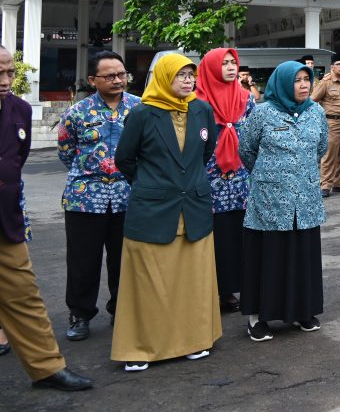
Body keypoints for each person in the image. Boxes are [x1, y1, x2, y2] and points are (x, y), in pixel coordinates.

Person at [112, 53, 221, 372]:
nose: (188, 80)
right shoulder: (143, 113)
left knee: (191, 281)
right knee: (148, 283)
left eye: (191, 75)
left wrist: (187, 181)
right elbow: (125, 159)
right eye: (181, 75)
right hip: (153, 209)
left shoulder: (201, 109)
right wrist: (152, 183)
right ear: (163, 77)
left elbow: (205, 152)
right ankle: (140, 348)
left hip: (194, 208)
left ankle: (194, 340)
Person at [0, 46, 94, 391]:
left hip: (6, 221)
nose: (6, 81)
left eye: (9, 72)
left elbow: (15, 162)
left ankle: (47, 368)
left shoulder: (20, 110)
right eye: (0, 74)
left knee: (24, 296)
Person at [238, 61, 328, 341]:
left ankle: (302, 311)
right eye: (297, 80)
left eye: (306, 79)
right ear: (282, 83)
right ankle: (258, 318)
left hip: (306, 197)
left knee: (303, 255)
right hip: (269, 198)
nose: (303, 85)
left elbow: (321, 147)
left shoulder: (316, 112)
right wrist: (273, 176)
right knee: (269, 256)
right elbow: (246, 150)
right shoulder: (262, 113)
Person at [56, 50, 141, 341]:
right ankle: (80, 314)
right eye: (110, 76)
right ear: (93, 80)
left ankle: (122, 311)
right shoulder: (76, 113)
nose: (118, 80)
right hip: (85, 199)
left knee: (124, 260)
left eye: (122, 74)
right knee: (83, 262)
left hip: (128, 197)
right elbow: (66, 153)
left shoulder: (140, 109)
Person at [194, 48, 256, 314]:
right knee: (212, 237)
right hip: (208, 181)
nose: (231, 67)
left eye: (234, 63)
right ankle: (209, 289)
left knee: (237, 235)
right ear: (210, 67)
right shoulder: (196, 101)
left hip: (240, 182)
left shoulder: (245, 99)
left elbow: (254, 137)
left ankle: (231, 289)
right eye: (225, 63)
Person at [313, 52, 340, 198]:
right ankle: (325, 185)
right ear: (332, 67)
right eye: (338, 64)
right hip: (332, 122)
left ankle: (339, 183)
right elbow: (312, 101)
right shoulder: (325, 82)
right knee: (329, 155)